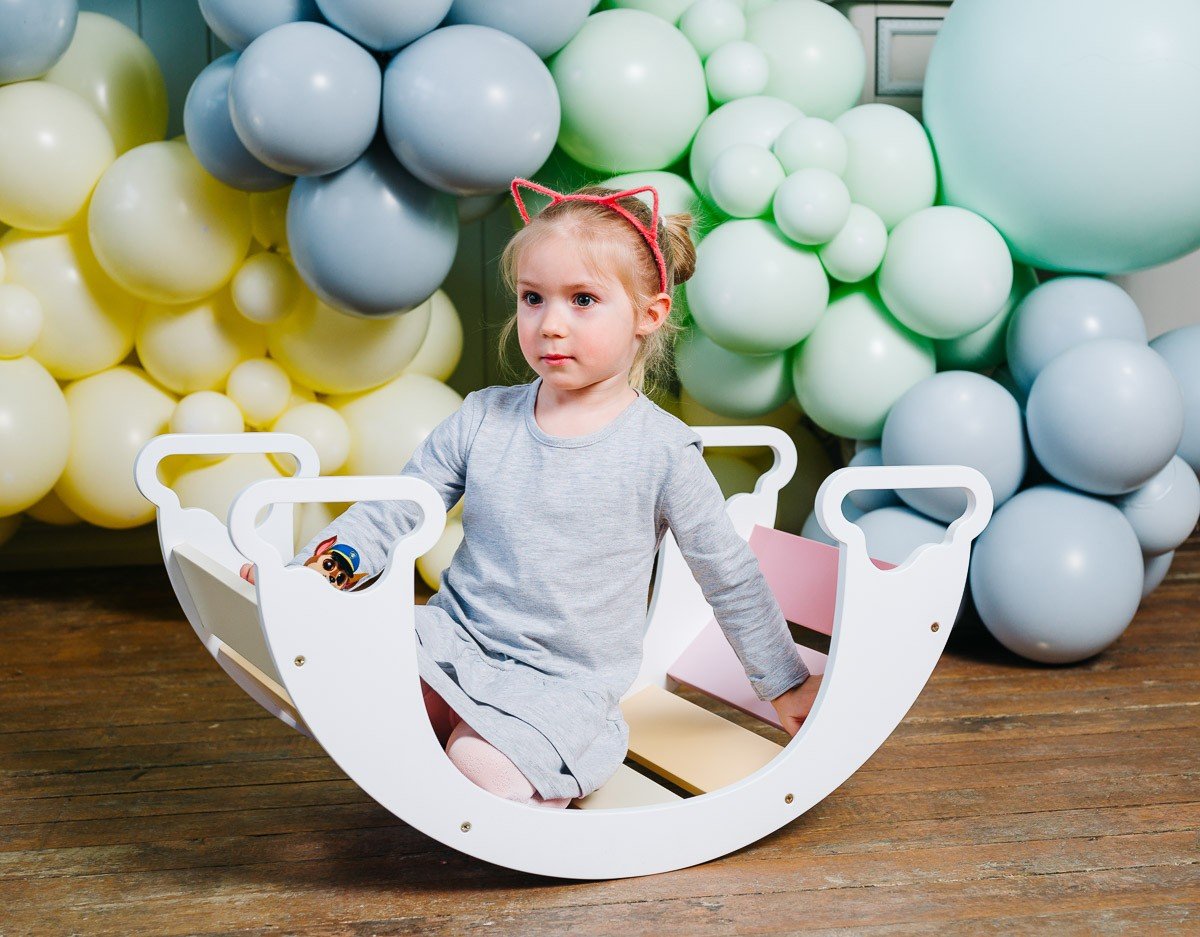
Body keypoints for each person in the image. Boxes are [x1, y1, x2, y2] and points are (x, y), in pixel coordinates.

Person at [241, 177, 823, 808]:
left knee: (478, 766)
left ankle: (528, 771)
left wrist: (785, 682)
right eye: (533, 298)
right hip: (451, 643)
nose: (550, 325)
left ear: (648, 315)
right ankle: (451, 744)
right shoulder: (484, 418)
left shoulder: (661, 451)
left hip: (560, 686)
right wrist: (311, 576)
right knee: (352, 677)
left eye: (583, 300)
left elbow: (729, 576)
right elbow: (396, 510)